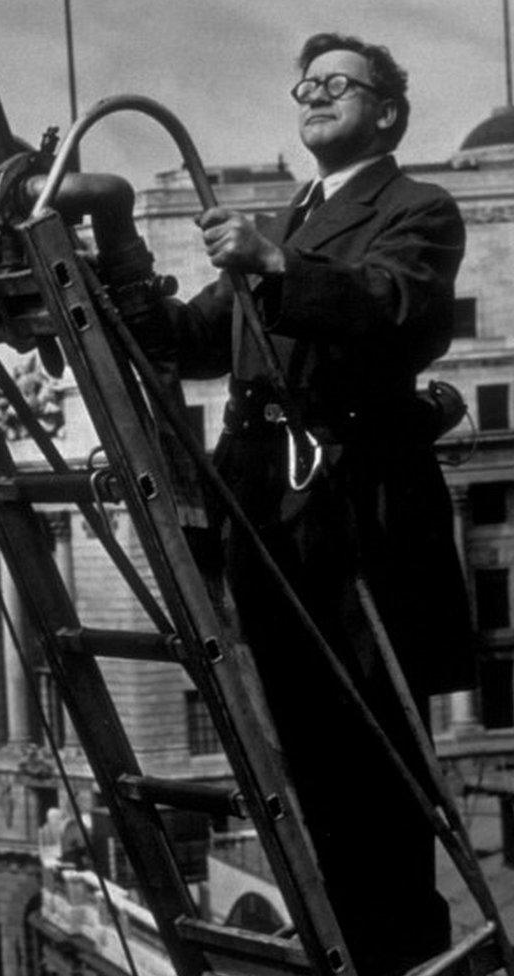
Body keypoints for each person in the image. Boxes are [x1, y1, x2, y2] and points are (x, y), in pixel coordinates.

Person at [142, 32, 471, 976]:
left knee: (375, 767)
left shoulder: (417, 209)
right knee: (312, 760)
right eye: (307, 84)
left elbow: (391, 303)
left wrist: (275, 266)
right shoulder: (291, 218)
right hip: (271, 517)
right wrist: (105, 271)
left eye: (339, 83)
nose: (315, 94)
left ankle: (397, 954)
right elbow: (195, 339)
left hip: (353, 516)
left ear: (388, 111)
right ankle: (354, 944)